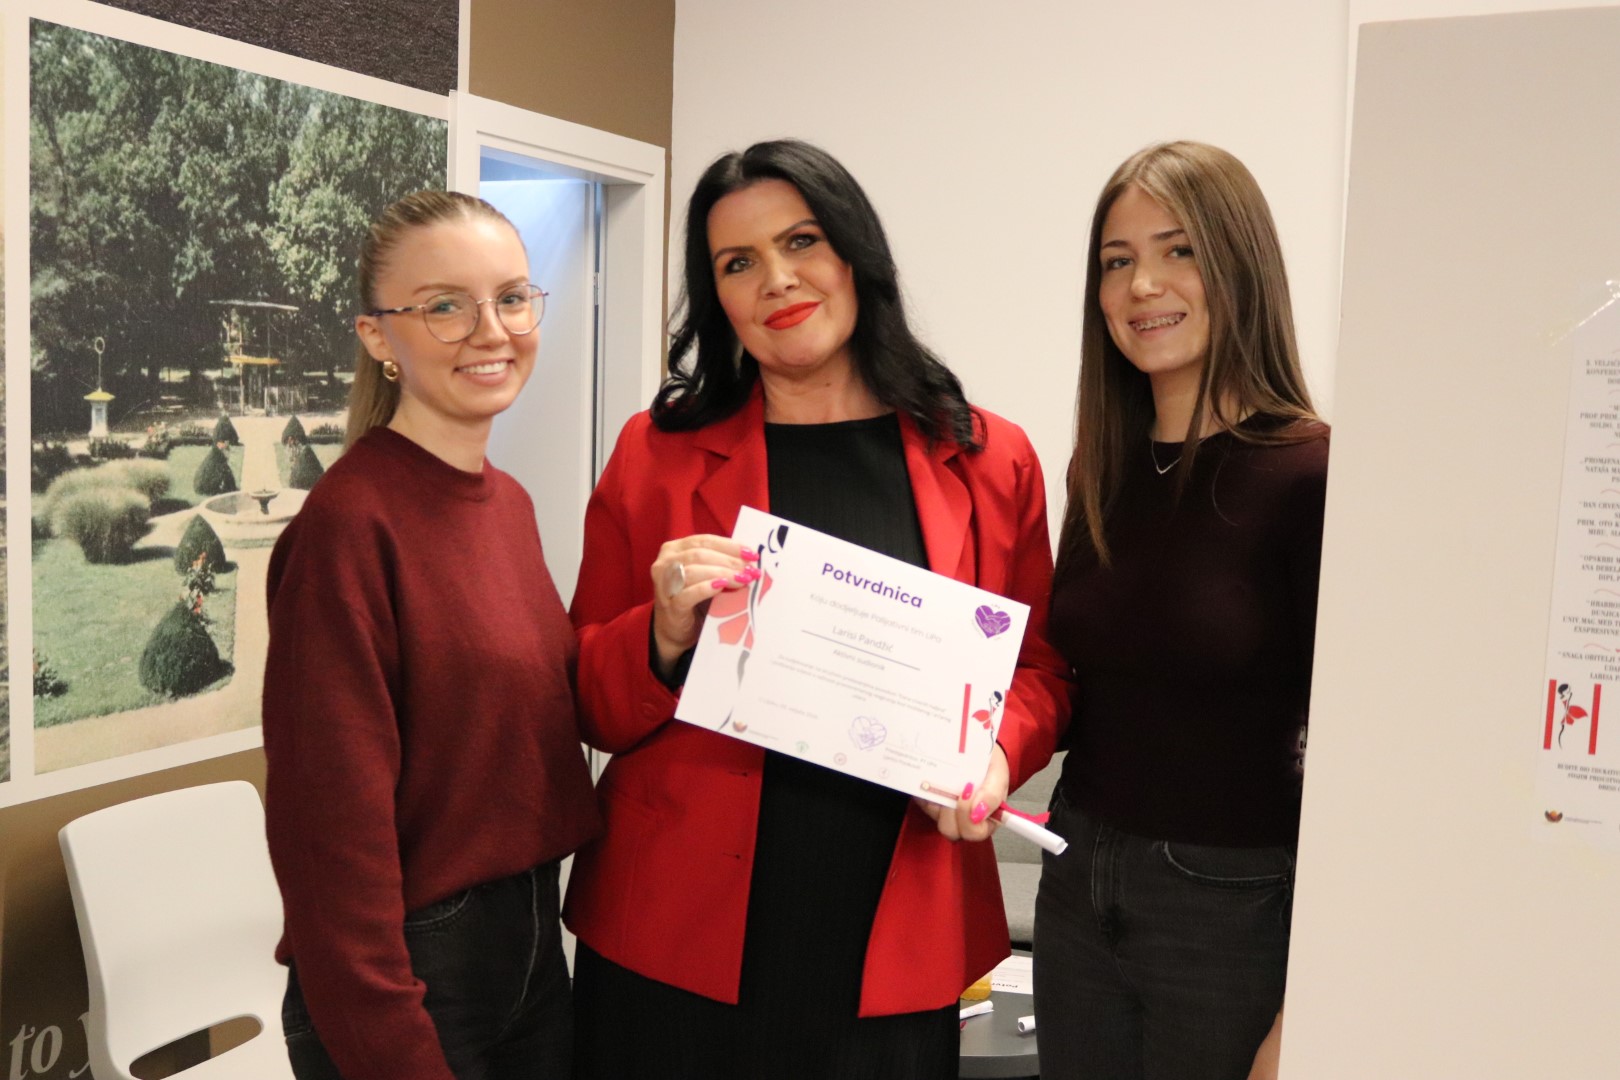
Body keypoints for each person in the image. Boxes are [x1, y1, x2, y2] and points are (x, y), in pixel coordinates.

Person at [564, 139, 1070, 1079]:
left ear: (855, 254)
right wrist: (661, 637)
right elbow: (587, 700)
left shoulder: (990, 459)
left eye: (801, 241)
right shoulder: (655, 454)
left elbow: (1039, 670)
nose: (777, 280)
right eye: (737, 262)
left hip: (895, 936)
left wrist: (998, 755)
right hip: (673, 939)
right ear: (716, 297)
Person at [261, 190, 601, 1080]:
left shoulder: (509, 504)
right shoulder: (349, 527)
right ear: (378, 336)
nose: (492, 331)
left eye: (513, 297)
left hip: (531, 943)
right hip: (411, 973)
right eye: (445, 306)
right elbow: (329, 841)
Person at [1035, 141, 1330, 1080]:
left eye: (1179, 250)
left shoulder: (1311, 474)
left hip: (1230, 902)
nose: (1142, 286)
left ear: (1239, 264)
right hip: (1075, 873)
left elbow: (1357, 758)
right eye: (1116, 261)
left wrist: (1305, 1007)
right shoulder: (1099, 469)